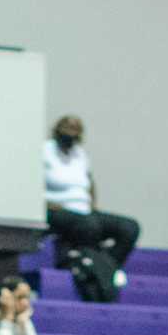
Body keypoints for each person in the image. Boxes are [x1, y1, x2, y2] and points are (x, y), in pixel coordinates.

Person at [42, 116, 141, 273]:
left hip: (83, 211)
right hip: (56, 210)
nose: (71, 134)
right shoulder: (45, 151)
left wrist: (92, 204)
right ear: (57, 129)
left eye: (76, 130)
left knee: (129, 227)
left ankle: (106, 268)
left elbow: (89, 181)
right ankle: (89, 267)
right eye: (68, 128)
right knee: (89, 225)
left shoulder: (80, 154)